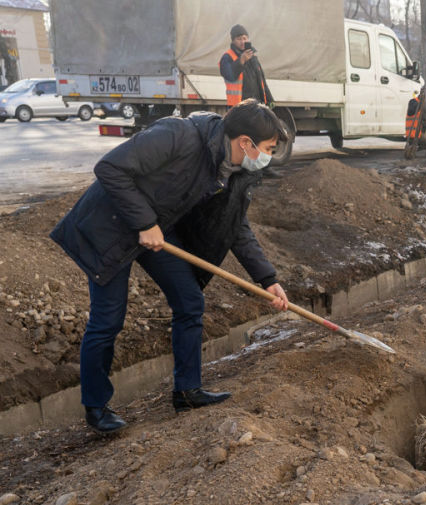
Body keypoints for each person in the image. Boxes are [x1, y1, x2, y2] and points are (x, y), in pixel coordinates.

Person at [49, 100, 291, 433]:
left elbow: (235, 226)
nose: (268, 156)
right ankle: (96, 407)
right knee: (108, 318)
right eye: (267, 148)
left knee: (189, 300)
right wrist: (144, 222)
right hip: (112, 226)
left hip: (155, 229)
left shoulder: (230, 169)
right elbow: (109, 168)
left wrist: (268, 279)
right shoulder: (180, 135)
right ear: (246, 142)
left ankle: (187, 391)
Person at [219, 24, 273, 107]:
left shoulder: (253, 57)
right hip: (238, 106)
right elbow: (229, 76)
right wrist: (241, 60)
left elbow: (262, 82)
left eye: (244, 38)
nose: (242, 42)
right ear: (233, 41)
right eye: (239, 39)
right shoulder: (227, 57)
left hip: (257, 104)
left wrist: (270, 101)